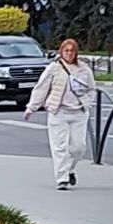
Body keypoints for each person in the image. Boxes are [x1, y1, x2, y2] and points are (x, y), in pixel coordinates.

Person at [25, 37, 97, 190]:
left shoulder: (84, 69)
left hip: (78, 113)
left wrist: (88, 102)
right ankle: (62, 178)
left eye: (72, 51)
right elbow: (41, 88)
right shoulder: (54, 68)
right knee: (60, 147)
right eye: (66, 51)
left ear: (76, 53)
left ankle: (70, 169)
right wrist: (32, 107)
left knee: (78, 147)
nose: (69, 54)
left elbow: (92, 88)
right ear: (61, 52)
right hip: (59, 112)